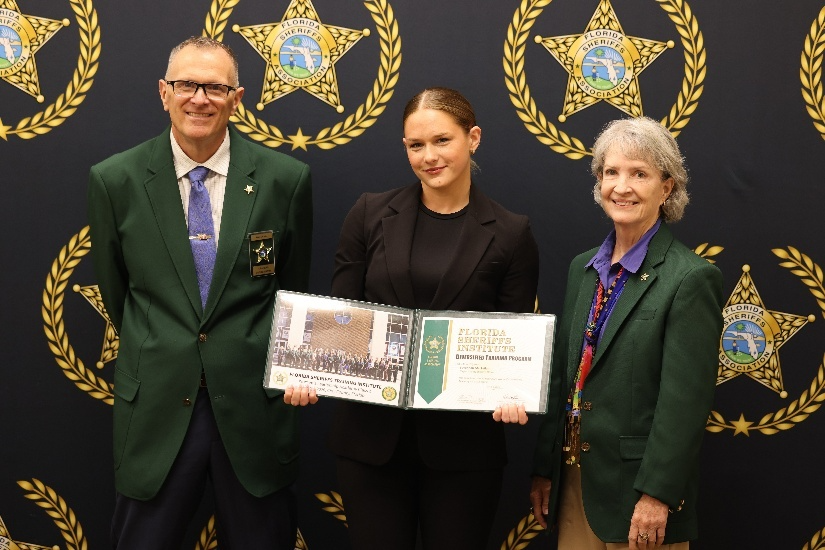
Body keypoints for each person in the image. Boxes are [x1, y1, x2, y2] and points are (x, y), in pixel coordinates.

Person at [285, 87, 539, 549]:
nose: (429, 157)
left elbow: (514, 337)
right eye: (415, 145)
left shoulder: (510, 232)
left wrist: (512, 390)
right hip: (370, 444)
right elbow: (340, 319)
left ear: (473, 138)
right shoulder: (368, 214)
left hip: (465, 450)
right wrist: (309, 369)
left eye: (442, 141)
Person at [87, 36, 312, 549]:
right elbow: (120, 295)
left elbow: (291, 293)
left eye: (215, 87)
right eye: (186, 84)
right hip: (157, 409)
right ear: (163, 92)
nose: (199, 98)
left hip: (255, 409)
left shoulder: (286, 179)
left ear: (238, 98)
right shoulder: (114, 180)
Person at [527, 117, 723, 550]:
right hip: (577, 478)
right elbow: (564, 375)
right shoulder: (583, 269)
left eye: (639, 173)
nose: (622, 186)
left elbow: (685, 404)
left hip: (641, 493)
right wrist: (546, 468)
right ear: (598, 182)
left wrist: (658, 494)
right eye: (611, 172)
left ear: (667, 188)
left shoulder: (690, 278)